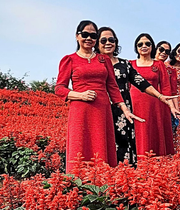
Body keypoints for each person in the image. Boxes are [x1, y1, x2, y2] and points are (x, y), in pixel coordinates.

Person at [55, 21, 141, 173]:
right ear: (77, 36)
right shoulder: (69, 59)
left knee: (100, 143)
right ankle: (78, 181)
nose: (89, 38)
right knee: (81, 143)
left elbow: (112, 87)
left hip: (102, 109)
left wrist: (124, 109)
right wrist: (80, 95)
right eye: (85, 34)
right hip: (80, 109)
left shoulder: (104, 60)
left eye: (93, 35)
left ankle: (102, 182)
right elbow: (59, 88)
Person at [96, 26, 176, 166]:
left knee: (123, 143)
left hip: (123, 110)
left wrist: (160, 96)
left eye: (111, 40)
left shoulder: (125, 64)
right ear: (97, 43)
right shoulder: (94, 63)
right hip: (101, 108)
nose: (108, 43)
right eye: (103, 40)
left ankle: (125, 176)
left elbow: (141, 82)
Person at [130, 33, 177, 157]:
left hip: (156, 105)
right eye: (140, 44)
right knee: (138, 132)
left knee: (154, 132)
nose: (144, 46)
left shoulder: (159, 65)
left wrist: (171, 107)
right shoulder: (130, 64)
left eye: (147, 44)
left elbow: (166, 87)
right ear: (136, 47)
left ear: (152, 47)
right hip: (135, 104)